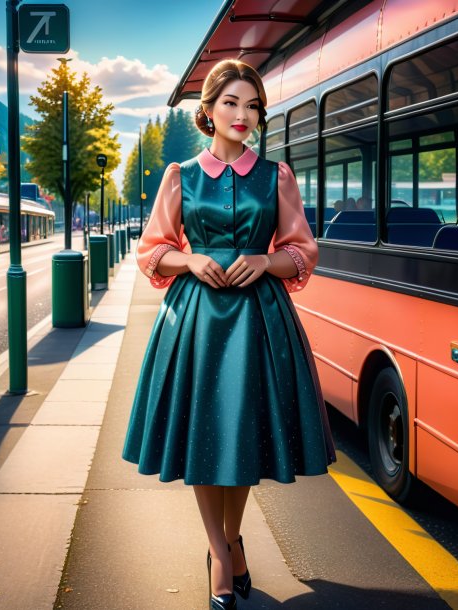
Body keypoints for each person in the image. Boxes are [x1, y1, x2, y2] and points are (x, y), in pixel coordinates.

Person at [122, 59, 335, 610]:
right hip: (196, 319)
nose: (244, 115)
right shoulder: (180, 176)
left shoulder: (276, 176)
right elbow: (153, 250)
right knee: (202, 437)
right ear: (210, 110)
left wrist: (266, 262)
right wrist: (190, 264)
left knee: (241, 438)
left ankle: (229, 541)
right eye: (232, 103)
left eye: (253, 105)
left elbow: (302, 252)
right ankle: (221, 551)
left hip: (258, 319)